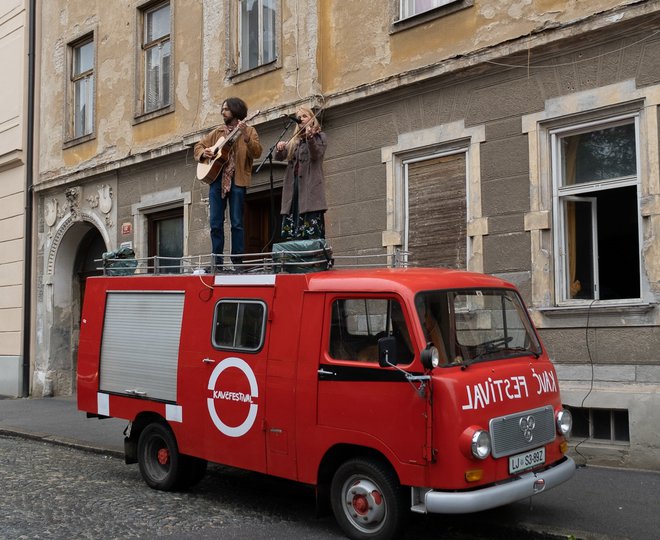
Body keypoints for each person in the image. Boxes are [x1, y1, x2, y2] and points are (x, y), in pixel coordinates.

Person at [194, 97, 262, 267]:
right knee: (215, 223)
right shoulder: (217, 132)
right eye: (222, 109)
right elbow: (198, 147)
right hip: (217, 180)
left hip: (237, 179)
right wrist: (205, 153)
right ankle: (217, 262)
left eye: (226, 109)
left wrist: (245, 135)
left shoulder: (250, 130)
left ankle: (237, 261)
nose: (222, 112)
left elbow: (257, 152)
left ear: (236, 110)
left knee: (237, 223)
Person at [275, 107, 327, 240]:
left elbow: (316, 155)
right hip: (294, 186)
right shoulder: (294, 140)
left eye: (305, 116)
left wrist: (310, 138)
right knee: (293, 229)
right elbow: (279, 158)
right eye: (300, 116)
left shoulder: (319, 136)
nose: (301, 119)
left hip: (310, 187)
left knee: (311, 233)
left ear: (312, 119)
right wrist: (280, 148)